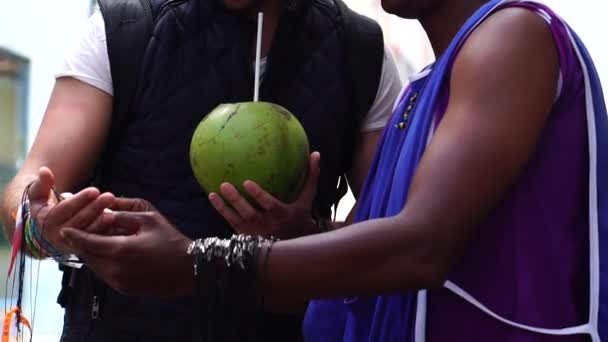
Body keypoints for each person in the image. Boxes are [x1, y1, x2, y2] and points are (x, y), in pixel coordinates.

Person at [55, 0, 608, 340]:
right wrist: (305, 235)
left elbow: (421, 246)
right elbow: (394, 235)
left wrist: (195, 262)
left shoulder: (511, 35)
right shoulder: (428, 85)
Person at [0, 0, 402, 340]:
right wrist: (42, 225)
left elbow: (393, 235)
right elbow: (31, 186)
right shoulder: (125, 29)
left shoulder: (360, 50)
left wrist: (309, 238)